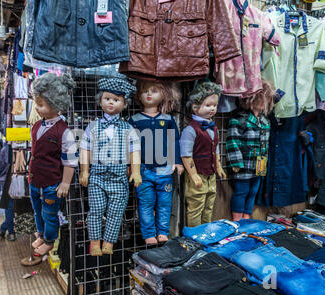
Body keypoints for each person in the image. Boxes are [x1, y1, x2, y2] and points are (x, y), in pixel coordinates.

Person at [79, 77, 141, 256]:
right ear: (100, 101)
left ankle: (109, 243)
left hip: (119, 178)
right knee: (95, 211)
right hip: (97, 177)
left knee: (116, 212)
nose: (111, 102)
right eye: (107, 98)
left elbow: (134, 150)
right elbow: (85, 149)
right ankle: (94, 243)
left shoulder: (128, 128)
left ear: (124, 104)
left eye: (116, 100)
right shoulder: (93, 126)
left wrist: (135, 171)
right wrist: (84, 171)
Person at [128, 80, 184, 244]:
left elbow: (174, 141)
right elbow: (129, 145)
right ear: (139, 95)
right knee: (145, 204)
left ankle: (163, 232)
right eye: (145, 91)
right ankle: (148, 234)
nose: (149, 94)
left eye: (154, 91)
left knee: (164, 204)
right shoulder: (134, 120)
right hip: (143, 171)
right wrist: (130, 166)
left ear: (163, 95)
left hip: (165, 170)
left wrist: (178, 162)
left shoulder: (168, 120)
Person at [29, 72, 78, 257]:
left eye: (41, 104)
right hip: (34, 180)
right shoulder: (36, 126)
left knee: (49, 213)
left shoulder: (64, 132)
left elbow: (70, 160)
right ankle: (41, 234)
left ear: (56, 104)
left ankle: (50, 240)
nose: (37, 107)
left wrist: (65, 183)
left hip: (51, 182)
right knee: (37, 210)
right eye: (36, 103)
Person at [226, 80, 274, 222]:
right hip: (244, 164)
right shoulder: (239, 120)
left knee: (253, 191)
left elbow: (266, 144)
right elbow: (233, 141)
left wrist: (265, 161)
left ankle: (247, 218)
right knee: (241, 191)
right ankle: (237, 220)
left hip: (260, 164)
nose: (266, 103)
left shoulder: (265, 121)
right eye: (264, 99)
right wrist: (236, 162)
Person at [180, 81, 226, 227]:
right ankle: (194, 235)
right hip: (197, 173)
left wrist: (218, 167)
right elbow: (186, 154)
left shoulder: (214, 128)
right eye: (208, 105)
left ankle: (206, 230)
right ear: (195, 107)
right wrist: (193, 175)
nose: (212, 108)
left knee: (209, 204)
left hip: (210, 174)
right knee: (196, 205)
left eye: (214, 105)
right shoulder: (190, 130)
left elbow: (216, 149)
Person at [0, 141, 16, 241]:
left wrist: (3, 175)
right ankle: (7, 231)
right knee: (11, 206)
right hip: (19, 180)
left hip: (7, 181)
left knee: (9, 206)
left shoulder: (5, 149)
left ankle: (6, 230)